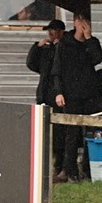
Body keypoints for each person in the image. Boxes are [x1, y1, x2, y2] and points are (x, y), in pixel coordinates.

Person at [50, 13, 102, 183]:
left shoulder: (91, 43)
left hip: (89, 93)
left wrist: (88, 38)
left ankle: (87, 171)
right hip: (71, 94)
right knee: (71, 132)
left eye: (85, 21)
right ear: (74, 23)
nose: (83, 24)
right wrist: (58, 92)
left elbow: (98, 58)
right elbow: (57, 69)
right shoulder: (65, 43)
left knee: (90, 130)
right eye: (80, 21)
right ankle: (68, 169)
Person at [27, 19, 66, 173]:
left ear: (61, 31)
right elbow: (31, 64)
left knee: (59, 132)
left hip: (56, 94)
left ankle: (59, 163)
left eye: (53, 30)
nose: (50, 33)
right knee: (43, 131)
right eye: (48, 30)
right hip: (43, 93)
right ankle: (44, 163)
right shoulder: (46, 49)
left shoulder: (63, 47)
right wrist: (36, 47)